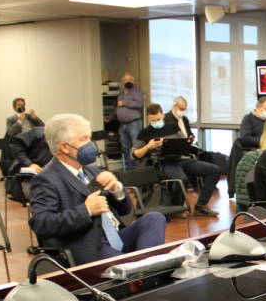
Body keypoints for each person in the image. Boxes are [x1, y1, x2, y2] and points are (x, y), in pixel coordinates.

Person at [29, 113, 166, 266]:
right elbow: (41, 224)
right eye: (83, 139)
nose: (91, 144)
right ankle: (142, 270)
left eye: (89, 137)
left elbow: (125, 210)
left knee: (155, 218)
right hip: (89, 246)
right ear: (64, 147)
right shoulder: (46, 179)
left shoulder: (92, 171)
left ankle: (143, 268)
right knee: (130, 264)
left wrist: (117, 189)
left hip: (114, 236)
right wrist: (86, 210)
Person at [132, 103, 221, 217]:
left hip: (181, 159)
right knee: (181, 178)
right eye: (153, 121)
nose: (156, 123)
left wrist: (187, 141)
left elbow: (182, 143)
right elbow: (135, 154)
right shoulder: (145, 133)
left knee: (214, 170)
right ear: (149, 118)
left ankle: (201, 206)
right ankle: (176, 208)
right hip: (163, 163)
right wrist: (148, 147)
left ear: (163, 115)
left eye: (158, 119)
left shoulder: (173, 127)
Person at [116, 72, 145, 169]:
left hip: (134, 124)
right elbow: (117, 106)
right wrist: (111, 117)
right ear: (122, 81)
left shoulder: (137, 91)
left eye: (130, 79)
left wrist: (124, 103)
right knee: (125, 148)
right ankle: (129, 170)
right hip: (123, 125)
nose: (128, 81)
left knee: (136, 147)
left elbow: (139, 104)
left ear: (133, 81)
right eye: (125, 79)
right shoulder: (121, 92)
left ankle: (138, 170)